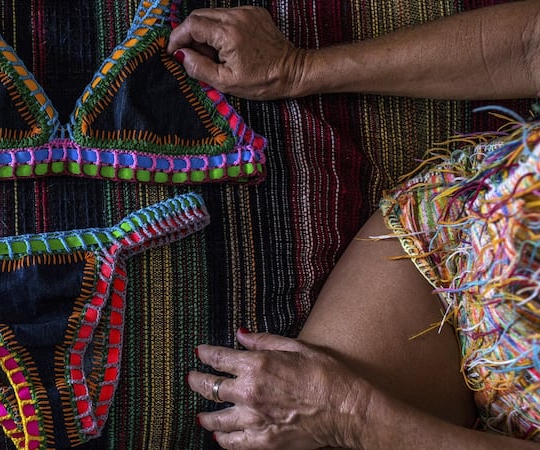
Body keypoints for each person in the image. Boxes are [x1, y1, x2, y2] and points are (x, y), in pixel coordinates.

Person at [168, 1, 540, 449]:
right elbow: (530, 44)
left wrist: (350, 414)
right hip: (466, 233)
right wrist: (296, 68)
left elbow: (348, 414)